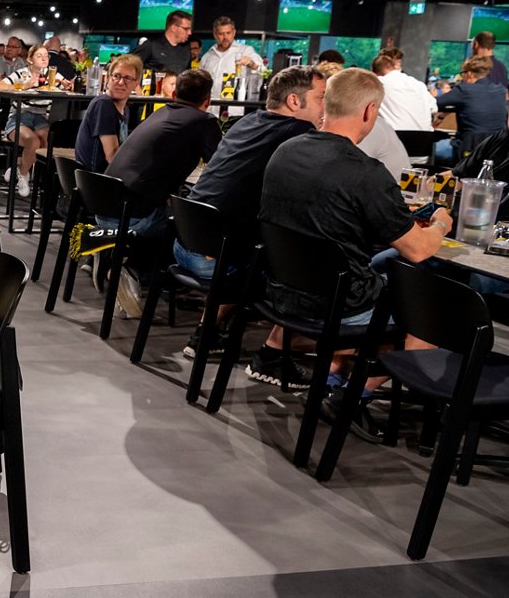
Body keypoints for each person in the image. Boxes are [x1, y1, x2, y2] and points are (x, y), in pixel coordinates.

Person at [259, 68, 451, 437]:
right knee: (432, 311)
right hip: (338, 305)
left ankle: (330, 381)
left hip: (283, 294)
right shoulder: (366, 172)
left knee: (382, 264)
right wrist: (442, 221)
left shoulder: (284, 151)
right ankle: (355, 395)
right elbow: (418, 249)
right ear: (369, 111)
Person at [175, 65, 327, 373]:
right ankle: (275, 354)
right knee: (305, 269)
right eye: (322, 97)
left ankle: (206, 334)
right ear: (295, 102)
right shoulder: (298, 134)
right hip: (215, 260)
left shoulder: (247, 121)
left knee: (254, 247)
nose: (327, 106)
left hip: (184, 245)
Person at [100, 69, 221, 318]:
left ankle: (126, 264)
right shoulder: (204, 122)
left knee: (173, 210)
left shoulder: (160, 113)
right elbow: (221, 164)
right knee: (183, 223)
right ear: (207, 100)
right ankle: (137, 270)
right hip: (131, 218)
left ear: (175, 93)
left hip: (106, 208)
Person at [0, 44, 74, 197]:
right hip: (19, 117)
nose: (44, 58)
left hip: (40, 118)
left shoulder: (52, 75)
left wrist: (67, 85)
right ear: (30, 59)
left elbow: (69, 85)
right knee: (33, 141)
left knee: (45, 143)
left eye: (46, 56)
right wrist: (24, 86)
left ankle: (20, 167)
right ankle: (24, 176)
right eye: (39, 56)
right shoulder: (22, 74)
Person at [433, 56, 509, 165]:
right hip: (497, 150)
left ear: (468, 73)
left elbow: (436, 103)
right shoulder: (500, 90)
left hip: (468, 149)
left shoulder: (464, 89)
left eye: (462, 74)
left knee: (432, 148)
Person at [75, 54, 140, 174]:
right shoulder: (103, 104)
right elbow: (112, 157)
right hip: (95, 182)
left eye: (127, 78)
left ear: (136, 84)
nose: (121, 82)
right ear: (108, 79)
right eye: (116, 76)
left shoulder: (125, 110)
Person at [197, 16, 259, 107]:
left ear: (234, 33)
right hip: (210, 108)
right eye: (221, 34)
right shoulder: (208, 56)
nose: (225, 37)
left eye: (228, 33)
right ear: (215, 35)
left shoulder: (245, 51)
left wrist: (251, 63)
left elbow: (262, 70)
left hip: (234, 109)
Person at [373, 50, 437, 130]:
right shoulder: (418, 84)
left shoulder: (379, 83)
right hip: (425, 137)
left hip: (395, 136)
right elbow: (434, 109)